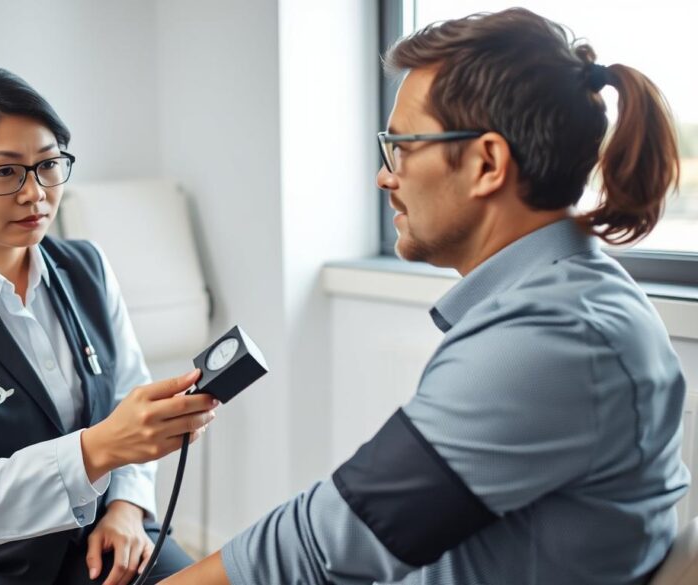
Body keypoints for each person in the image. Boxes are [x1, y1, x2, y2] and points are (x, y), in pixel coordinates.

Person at [163, 8, 689, 585]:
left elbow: (334, 542)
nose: (384, 176)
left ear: (487, 162)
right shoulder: (568, 299)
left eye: (402, 147)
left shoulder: (552, 335)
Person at [0, 68, 218, 585]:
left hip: (89, 535)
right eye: (5, 173)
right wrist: (98, 449)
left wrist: (127, 506)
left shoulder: (86, 267)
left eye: (48, 165)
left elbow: (128, 395)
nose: (35, 194)